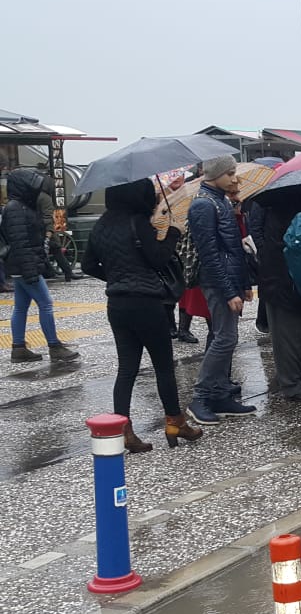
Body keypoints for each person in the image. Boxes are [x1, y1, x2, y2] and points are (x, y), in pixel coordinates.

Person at [82, 179, 202, 451]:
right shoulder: (138, 222)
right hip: (146, 304)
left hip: (117, 305)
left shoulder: (101, 224)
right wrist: (173, 232)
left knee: (126, 369)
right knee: (163, 366)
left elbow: (88, 264)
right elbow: (158, 258)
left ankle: (122, 430)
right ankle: (176, 423)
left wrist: (116, 278)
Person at [185, 155, 255, 425]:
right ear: (213, 175)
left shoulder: (220, 201)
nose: (234, 178)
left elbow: (234, 248)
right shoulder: (204, 205)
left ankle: (220, 394)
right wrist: (229, 291)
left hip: (229, 280)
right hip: (217, 282)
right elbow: (210, 255)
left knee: (227, 337)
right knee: (224, 338)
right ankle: (201, 397)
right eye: (229, 173)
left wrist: (244, 284)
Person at [253, 185, 301, 403]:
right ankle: (291, 383)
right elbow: (260, 235)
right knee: (287, 336)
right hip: (279, 278)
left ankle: (292, 376)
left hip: (296, 279)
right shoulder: (279, 207)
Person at [3, 168, 80, 363]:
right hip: (26, 265)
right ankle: (54, 346)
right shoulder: (17, 209)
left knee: (21, 307)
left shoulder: (16, 207)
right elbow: (21, 242)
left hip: (20, 266)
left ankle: (18, 348)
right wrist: (32, 269)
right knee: (45, 304)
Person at [38, 176, 82, 282]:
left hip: (38, 229)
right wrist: (49, 231)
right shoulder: (46, 198)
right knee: (57, 251)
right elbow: (48, 216)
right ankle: (66, 273)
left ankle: (65, 273)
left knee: (50, 252)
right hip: (46, 230)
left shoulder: (37, 196)